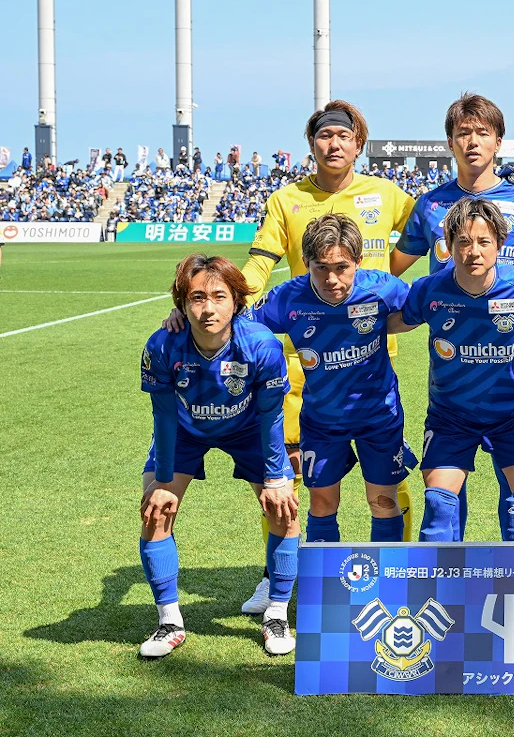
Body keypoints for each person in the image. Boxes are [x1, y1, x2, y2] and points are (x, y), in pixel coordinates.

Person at [163, 99, 417, 613]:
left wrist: (395, 273)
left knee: (385, 486)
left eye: (343, 136)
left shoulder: (388, 194)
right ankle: (278, 574)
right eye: (324, 136)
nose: (334, 144)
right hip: (301, 366)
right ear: (311, 144)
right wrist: (216, 303)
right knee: (287, 478)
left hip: (370, 366)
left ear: (359, 144)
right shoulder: (287, 200)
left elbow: (432, 234)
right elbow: (259, 265)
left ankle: (394, 573)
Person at [392, 93, 514, 542]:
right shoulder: (430, 205)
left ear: (498, 142)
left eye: (482, 133)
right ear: (450, 142)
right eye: (463, 133)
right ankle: (450, 572)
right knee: (447, 490)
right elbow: (393, 268)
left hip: (511, 362)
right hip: (452, 363)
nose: (472, 142)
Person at [137, 254, 298, 658]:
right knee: (155, 511)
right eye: (197, 298)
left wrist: (276, 478)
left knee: (283, 509)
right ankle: (169, 621)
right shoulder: (161, 345)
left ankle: (276, 613)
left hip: (248, 429)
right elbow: (163, 415)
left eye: (219, 297)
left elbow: (271, 415)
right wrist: (162, 480)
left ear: (236, 301)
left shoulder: (261, 345)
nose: (208, 308)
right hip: (185, 430)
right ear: (182, 303)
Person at [250, 214, 415, 546]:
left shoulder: (381, 287)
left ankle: (387, 573)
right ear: (306, 262)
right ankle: (325, 578)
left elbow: (424, 309)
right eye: (321, 268)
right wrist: (182, 315)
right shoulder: (288, 298)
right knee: (323, 503)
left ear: (358, 261)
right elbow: (240, 325)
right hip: (322, 420)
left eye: (342, 267)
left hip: (378, 417)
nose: (332, 279)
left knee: (383, 501)